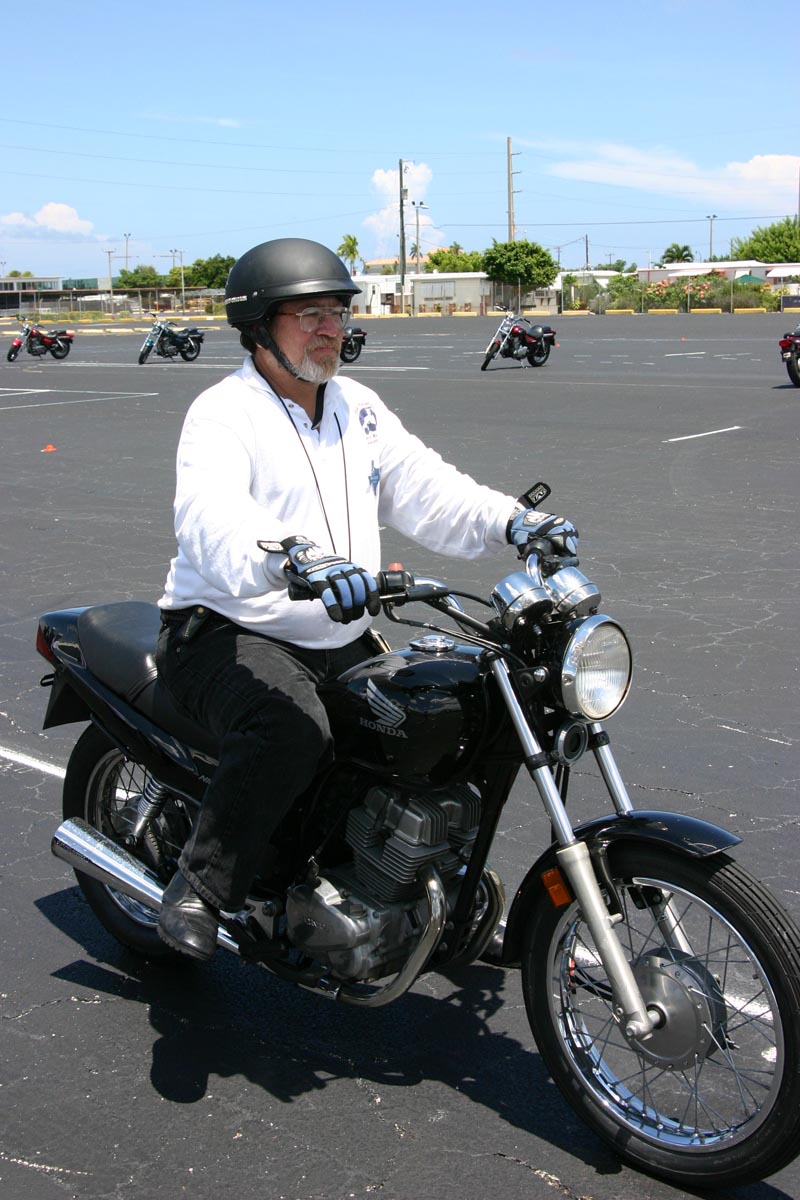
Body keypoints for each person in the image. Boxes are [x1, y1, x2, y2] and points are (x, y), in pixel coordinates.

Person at [155, 237, 578, 960]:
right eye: (309, 315)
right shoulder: (224, 412)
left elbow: (429, 488)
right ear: (258, 327)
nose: (331, 328)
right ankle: (200, 886)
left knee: (454, 718)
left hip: (338, 629)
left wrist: (514, 521)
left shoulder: (358, 407)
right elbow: (210, 516)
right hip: (226, 628)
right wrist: (290, 557)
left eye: (338, 313)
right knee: (290, 728)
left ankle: (436, 888)